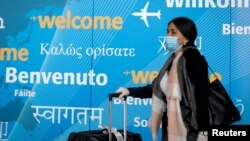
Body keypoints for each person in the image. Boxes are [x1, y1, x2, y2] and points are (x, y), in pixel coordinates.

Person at [116, 17, 209, 141]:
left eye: (173, 32)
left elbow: (201, 96)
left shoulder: (194, 59)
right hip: (170, 129)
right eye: (167, 31)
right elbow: (154, 89)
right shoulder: (172, 61)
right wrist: (129, 91)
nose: (168, 35)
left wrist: (203, 131)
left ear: (186, 37)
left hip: (190, 129)